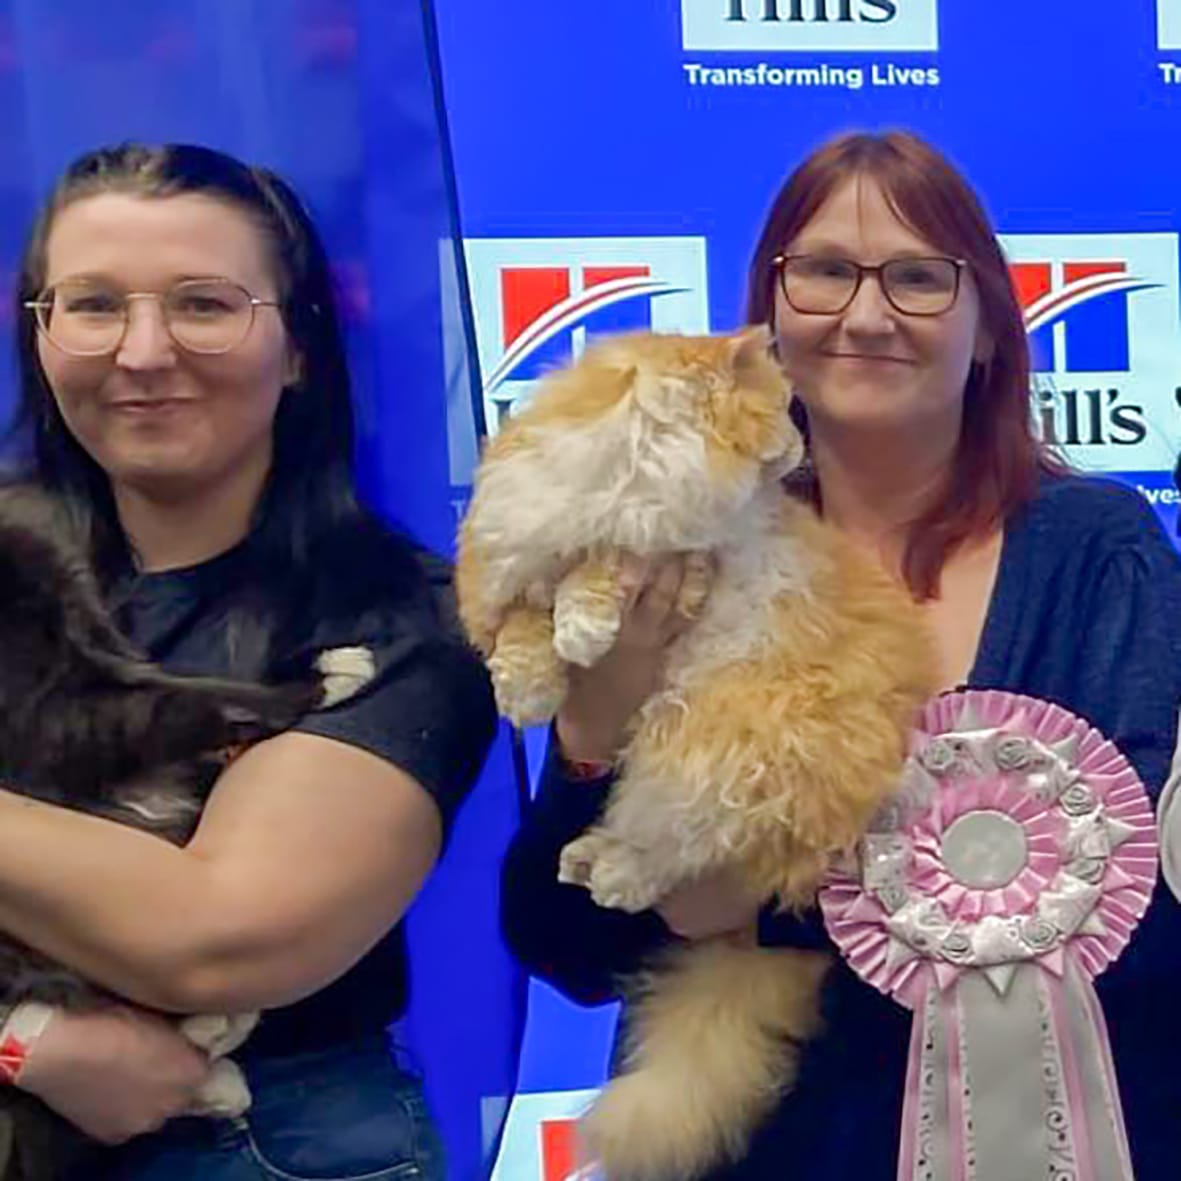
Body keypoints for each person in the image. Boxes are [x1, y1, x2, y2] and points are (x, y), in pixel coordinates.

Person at [500, 130, 1181, 1179]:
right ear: (767, 317)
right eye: (822, 271)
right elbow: (567, 947)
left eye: (917, 277)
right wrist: (591, 733)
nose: (865, 315)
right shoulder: (676, 551)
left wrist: (764, 907)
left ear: (988, 331)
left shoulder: (1098, 549)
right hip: (759, 1145)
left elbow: (1132, 901)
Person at [0, 142, 498, 1180]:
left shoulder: (400, 624)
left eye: (203, 304)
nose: (143, 352)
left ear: (300, 345)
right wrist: (24, 1040)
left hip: (265, 1140)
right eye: (92, 305)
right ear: (39, 335)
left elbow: (215, 937)